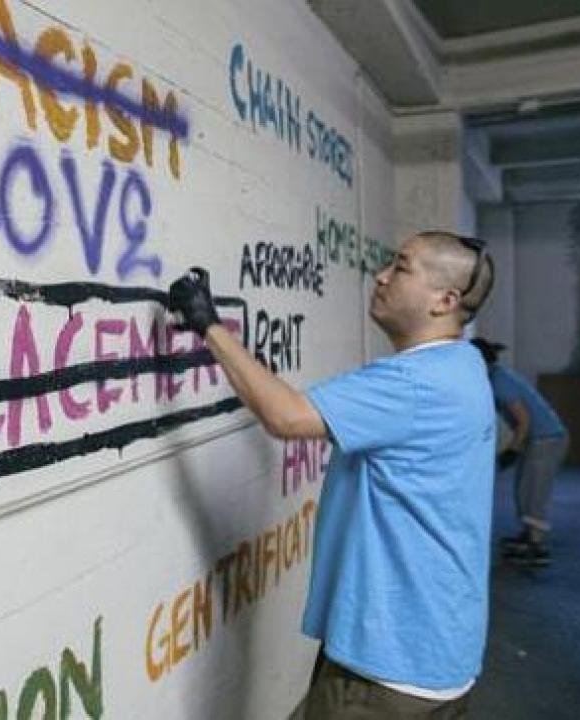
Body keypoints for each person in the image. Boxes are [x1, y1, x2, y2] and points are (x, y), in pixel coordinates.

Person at [169, 231, 495, 718]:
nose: (381, 276)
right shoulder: (463, 366)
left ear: (445, 300)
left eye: (402, 267)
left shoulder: (414, 382)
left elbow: (285, 416)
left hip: (390, 663)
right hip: (441, 649)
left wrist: (209, 325)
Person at [470, 338, 569, 566]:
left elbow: (523, 419)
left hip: (546, 439)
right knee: (524, 488)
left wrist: (512, 450)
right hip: (539, 439)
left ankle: (538, 546)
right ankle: (528, 535)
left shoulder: (500, 381)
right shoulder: (494, 376)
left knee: (534, 491)